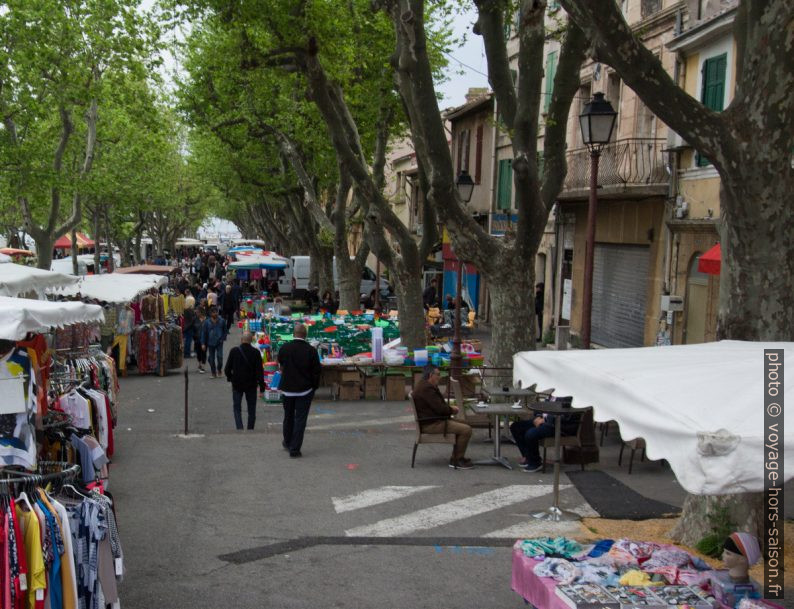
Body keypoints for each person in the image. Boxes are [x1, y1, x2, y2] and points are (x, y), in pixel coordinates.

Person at [412, 365, 473, 469]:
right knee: (466, 430)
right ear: (431, 375)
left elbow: (438, 406)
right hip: (431, 424)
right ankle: (456, 460)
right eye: (438, 375)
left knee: (465, 424)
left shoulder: (424, 385)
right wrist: (452, 410)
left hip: (432, 420)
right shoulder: (427, 389)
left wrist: (448, 408)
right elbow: (441, 409)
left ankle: (457, 456)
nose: (439, 377)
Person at [277, 323, 321, 458]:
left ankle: (287, 441)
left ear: (293, 334)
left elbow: (281, 364)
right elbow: (316, 372)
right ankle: (295, 449)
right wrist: (314, 387)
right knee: (300, 419)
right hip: (304, 390)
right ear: (305, 335)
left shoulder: (284, 348)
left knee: (288, 416)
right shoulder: (311, 351)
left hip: (287, 389)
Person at [509, 397, 578, 472]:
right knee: (516, 427)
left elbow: (565, 416)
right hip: (546, 422)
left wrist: (544, 419)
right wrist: (538, 416)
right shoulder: (553, 395)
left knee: (531, 433)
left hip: (559, 426)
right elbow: (542, 406)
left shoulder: (567, 397)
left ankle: (535, 463)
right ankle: (528, 457)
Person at [224, 331, 266, 430]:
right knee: (251, 409)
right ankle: (250, 428)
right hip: (251, 385)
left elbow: (227, 369)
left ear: (241, 340)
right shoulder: (256, 353)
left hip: (237, 384)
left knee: (237, 408)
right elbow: (260, 372)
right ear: (251, 341)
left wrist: (231, 378)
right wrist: (262, 388)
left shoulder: (234, 351)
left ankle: (240, 428)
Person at [200, 307, 227, 378]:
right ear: (210, 313)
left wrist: (223, 338)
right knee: (211, 359)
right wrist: (203, 343)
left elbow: (225, 331)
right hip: (210, 343)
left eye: (216, 312)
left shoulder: (222, 321)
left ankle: (219, 370)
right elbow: (204, 333)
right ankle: (213, 373)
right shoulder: (207, 322)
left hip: (219, 342)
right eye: (213, 312)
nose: (215, 314)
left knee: (220, 357)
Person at [194, 308, 208, 373]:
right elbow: (191, 328)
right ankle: (199, 363)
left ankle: (203, 366)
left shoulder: (207, 320)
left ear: (201, 313)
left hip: (205, 339)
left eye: (197, 312)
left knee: (204, 352)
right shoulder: (195, 319)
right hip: (197, 339)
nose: (196, 313)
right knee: (198, 353)